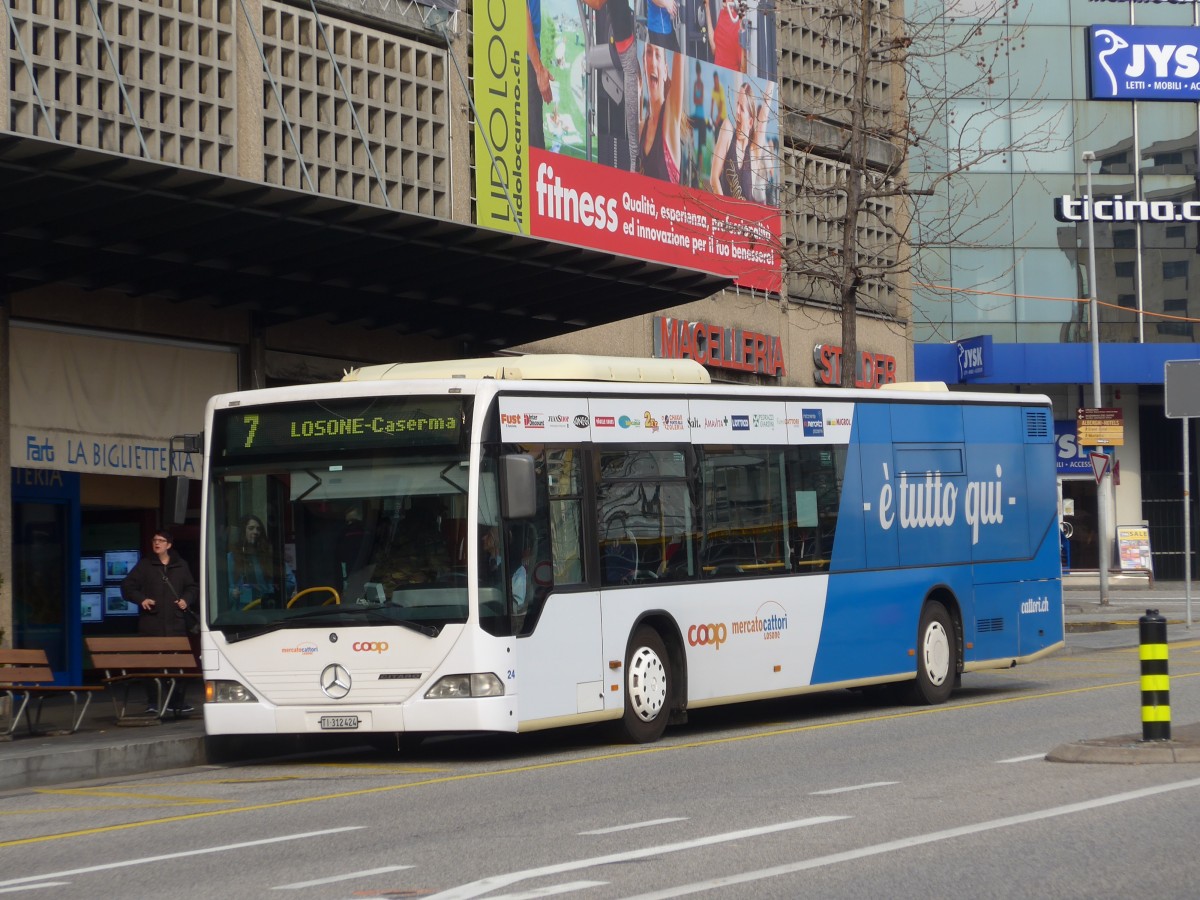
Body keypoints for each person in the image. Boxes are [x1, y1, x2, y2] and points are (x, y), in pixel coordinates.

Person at [120, 530, 198, 715]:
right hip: (151, 624)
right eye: (155, 540)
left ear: (169, 545)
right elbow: (127, 586)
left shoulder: (181, 565)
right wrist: (141, 599)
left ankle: (176, 702)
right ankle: (154, 702)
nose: (157, 543)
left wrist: (186, 600)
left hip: (175, 624)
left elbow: (192, 587)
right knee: (152, 664)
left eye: (161, 541)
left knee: (175, 665)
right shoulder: (145, 565)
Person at [582, 0, 639, 172]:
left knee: (634, 113)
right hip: (623, 47)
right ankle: (634, 163)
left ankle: (635, 165)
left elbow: (597, 4)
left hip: (629, 50)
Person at [710, 78, 772, 200]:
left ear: (750, 122)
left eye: (742, 108)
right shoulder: (727, 130)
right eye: (737, 104)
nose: (737, 110)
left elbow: (765, 111)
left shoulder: (754, 151)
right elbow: (714, 179)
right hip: (723, 210)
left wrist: (772, 79)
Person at [638, 42, 685, 184]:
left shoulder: (670, 118)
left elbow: (680, 52)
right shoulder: (641, 128)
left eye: (658, 55)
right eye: (648, 52)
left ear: (665, 72)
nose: (652, 62)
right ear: (644, 63)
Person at [228, 514, 296, 609]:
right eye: (251, 528)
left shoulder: (269, 556)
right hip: (243, 612)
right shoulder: (231, 558)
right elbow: (220, 591)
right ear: (243, 531)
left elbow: (290, 581)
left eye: (258, 529)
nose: (255, 532)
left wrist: (272, 590)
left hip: (267, 610)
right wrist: (232, 593)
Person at [527, 0, 554, 150]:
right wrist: (538, 69)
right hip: (525, 63)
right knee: (534, 145)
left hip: (527, 62)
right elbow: (520, 13)